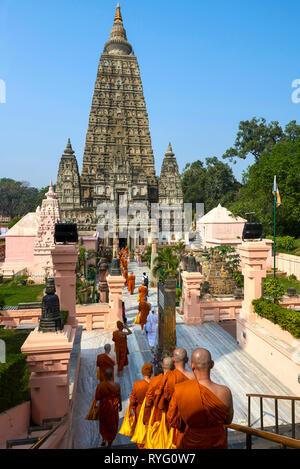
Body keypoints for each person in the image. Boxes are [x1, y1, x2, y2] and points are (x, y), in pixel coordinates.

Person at [167, 348, 234, 449]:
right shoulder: (225, 392)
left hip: (191, 442)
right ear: (212, 364)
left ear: (192, 365)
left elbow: (173, 420)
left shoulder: (181, 390)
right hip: (217, 443)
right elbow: (228, 421)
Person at [152, 348, 194, 448]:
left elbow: (160, 400)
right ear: (187, 360)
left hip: (171, 416)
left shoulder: (168, 377)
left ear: (173, 360)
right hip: (189, 418)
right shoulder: (193, 377)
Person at [95, 367, 122, 448]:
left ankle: (103, 439)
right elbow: (119, 396)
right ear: (112, 376)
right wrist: (120, 405)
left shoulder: (101, 385)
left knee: (104, 423)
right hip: (113, 408)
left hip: (104, 407)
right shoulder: (117, 385)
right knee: (112, 424)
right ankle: (110, 444)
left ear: (104, 376)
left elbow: (97, 397)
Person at [128, 363, 153, 448]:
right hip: (153, 412)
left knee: (141, 434)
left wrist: (135, 411)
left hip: (140, 413)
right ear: (152, 372)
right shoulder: (156, 384)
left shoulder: (137, 385)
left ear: (142, 373)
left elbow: (132, 401)